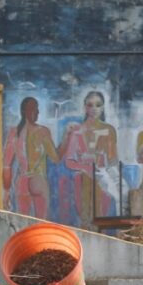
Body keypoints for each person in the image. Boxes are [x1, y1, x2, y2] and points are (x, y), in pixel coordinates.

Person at [59, 90, 119, 227]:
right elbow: (69, 161)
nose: (94, 109)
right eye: (90, 105)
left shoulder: (109, 130)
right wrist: (85, 167)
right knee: (85, 218)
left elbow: (112, 159)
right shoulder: (77, 130)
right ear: (85, 107)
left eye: (98, 105)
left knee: (101, 218)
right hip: (82, 179)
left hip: (102, 178)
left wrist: (102, 163)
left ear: (103, 107)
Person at [2, 97, 59, 218]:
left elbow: (7, 166)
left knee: (24, 223)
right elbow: (56, 158)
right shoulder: (42, 131)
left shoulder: (14, 133)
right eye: (35, 108)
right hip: (38, 179)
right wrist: (66, 138)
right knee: (41, 223)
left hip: (22, 181)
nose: (38, 112)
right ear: (25, 111)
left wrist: (6, 191)